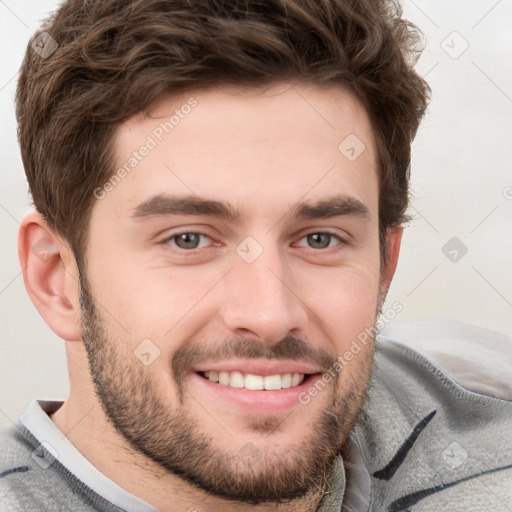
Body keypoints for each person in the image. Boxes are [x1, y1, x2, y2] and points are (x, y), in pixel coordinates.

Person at [1, 0, 510, 510]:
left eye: (319, 239)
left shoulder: (486, 400)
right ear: (57, 277)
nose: (269, 315)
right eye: (189, 240)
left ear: (385, 266)